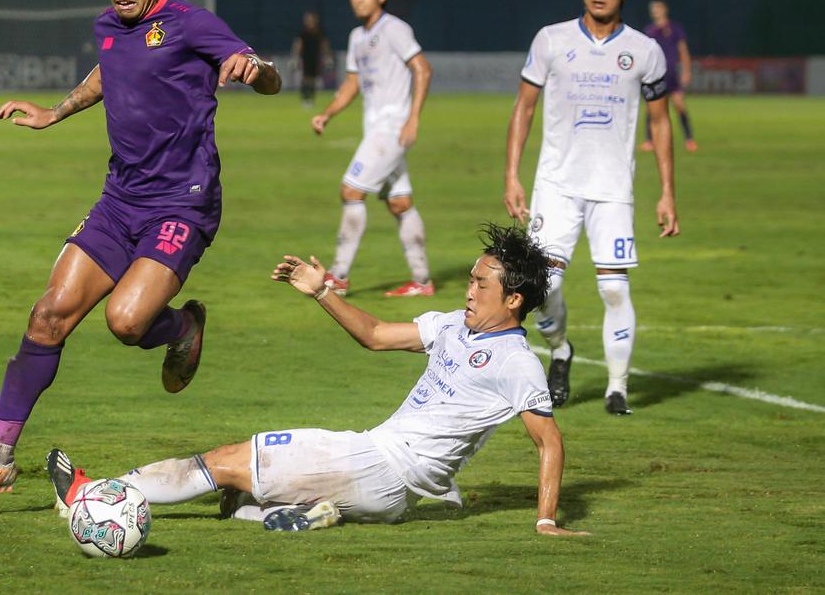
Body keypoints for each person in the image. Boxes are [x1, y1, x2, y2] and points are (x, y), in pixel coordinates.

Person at [0, 0, 281, 503]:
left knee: (126, 322)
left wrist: (256, 70)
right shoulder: (108, 28)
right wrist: (54, 111)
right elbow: (108, 71)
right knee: (47, 316)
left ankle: (183, 326)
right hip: (119, 201)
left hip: (182, 203)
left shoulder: (191, 23)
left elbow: (264, 74)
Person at [47, 225, 589, 536]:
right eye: (469, 280)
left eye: (479, 284)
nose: (468, 291)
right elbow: (376, 334)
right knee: (234, 492)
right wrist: (323, 291)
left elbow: (550, 442)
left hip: (382, 466)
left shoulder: (517, 362)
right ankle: (292, 513)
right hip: (380, 467)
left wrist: (545, 521)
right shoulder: (452, 325)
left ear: (512, 299)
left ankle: (92, 495)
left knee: (231, 458)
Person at [504, 0, 681, 416]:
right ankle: (560, 349)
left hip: (612, 191)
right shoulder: (550, 40)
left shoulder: (645, 50)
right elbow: (524, 108)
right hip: (556, 186)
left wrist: (666, 193)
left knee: (614, 289)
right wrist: (512, 176)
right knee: (542, 288)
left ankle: (617, 388)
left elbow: (660, 123)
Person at [311, 0, 435, 298]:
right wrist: (328, 113)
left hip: (392, 126)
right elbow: (352, 83)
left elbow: (422, 68)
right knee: (399, 202)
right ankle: (422, 282)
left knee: (351, 191)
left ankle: (338, 276)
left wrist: (413, 119)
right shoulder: (356, 37)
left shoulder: (394, 28)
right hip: (378, 127)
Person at [641, 0, 695, 152]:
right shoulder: (649, 30)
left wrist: (686, 71)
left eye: (657, 8)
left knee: (679, 105)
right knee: (651, 109)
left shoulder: (674, 29)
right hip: (656, 76)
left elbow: (683, 51)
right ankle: (649, 141)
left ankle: (689, 139)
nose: (654, 11)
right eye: (652, 9)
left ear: (665, 10)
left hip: (672, 75)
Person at [291, 11, 331, 108]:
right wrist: (295, 58)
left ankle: (311, 99)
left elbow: (324, 45)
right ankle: (305, 98)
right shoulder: (303, 33)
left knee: (313, 80)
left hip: (315, 58)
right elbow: (298, 45)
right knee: (305, 79)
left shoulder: (319, 32)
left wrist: (327, 57)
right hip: (305, 58)